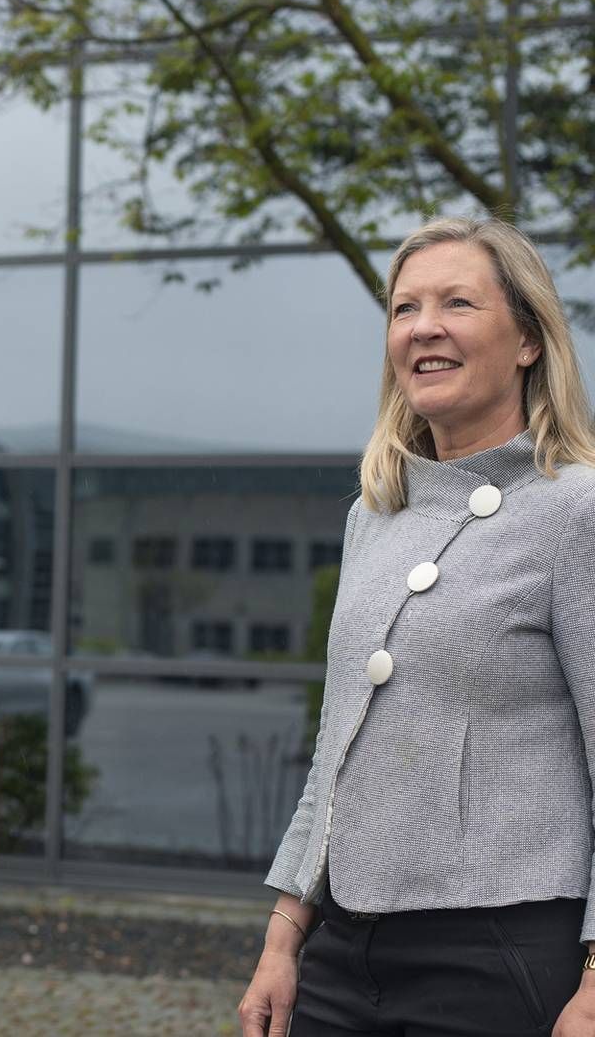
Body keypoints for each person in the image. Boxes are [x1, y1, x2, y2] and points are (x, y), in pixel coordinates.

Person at [239, 216, 595, 1037]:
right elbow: (336, 753)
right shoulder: (375, 513)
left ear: (529, 341)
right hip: (342, 954)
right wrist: (283, 937)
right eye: (404, 309)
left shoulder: (575, 514)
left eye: (457, 303)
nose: (423, 327)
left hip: (501, 958)